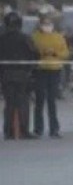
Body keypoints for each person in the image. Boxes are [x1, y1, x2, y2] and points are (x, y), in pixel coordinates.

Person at [0, 12, 39, 140]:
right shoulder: (25, 38)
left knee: (9, 103)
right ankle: (23, 130)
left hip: (6, 75)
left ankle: (8, 131)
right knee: (23, 103)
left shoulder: (2, 38)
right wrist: (31, 70)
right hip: (22, 75)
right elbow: (35, 55)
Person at [31, 13, 69, 138]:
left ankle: (54, 129)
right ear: (40, 24)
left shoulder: (58, 37)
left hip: (54, 70)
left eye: (49, 23)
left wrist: (55, 53)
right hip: (40, 71)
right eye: (44, 23)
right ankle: (38, 129)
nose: (47, 26)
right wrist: (42, 53)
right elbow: (31, 52)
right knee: (39, 101)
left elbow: (65, 53)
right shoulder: (35, 37)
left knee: (52, 101)